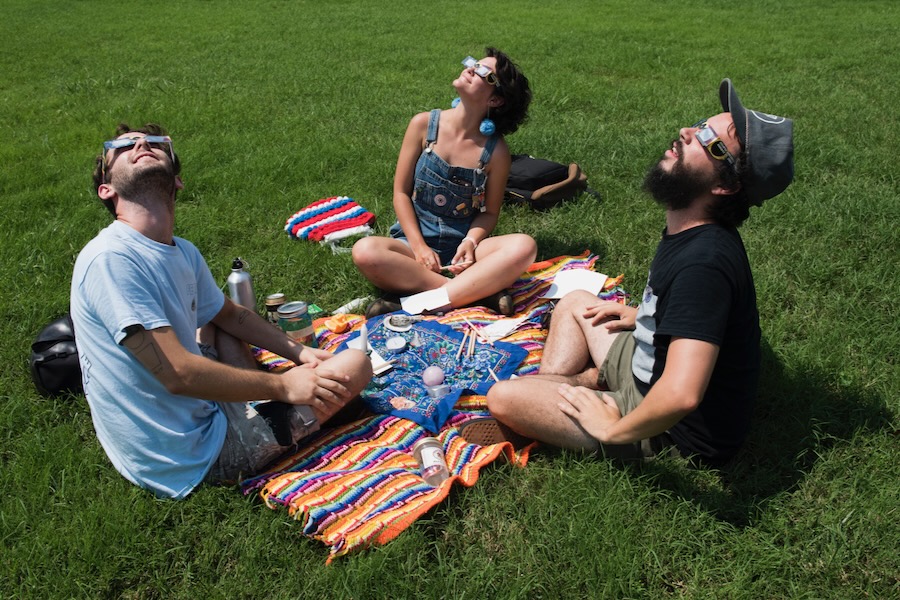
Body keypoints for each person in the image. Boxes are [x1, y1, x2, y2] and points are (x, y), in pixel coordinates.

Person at [481, 79, 794, 466]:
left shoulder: (704, 264)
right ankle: (572, 390)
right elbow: (695, 316)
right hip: (647, 364)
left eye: (709, 140)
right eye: (700, 124)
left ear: (726, 187)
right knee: (577, 302)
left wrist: (610, 428)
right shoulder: (691, 226)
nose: (687, 133)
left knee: (503, 397)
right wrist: (645, 317)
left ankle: (570, 409)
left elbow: (682, 395)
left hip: (667, 426)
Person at [71, 123, 373, 499]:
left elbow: (231, 316)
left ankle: (263, 403)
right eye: (123, 146)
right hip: (190, 454)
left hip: (193, 413)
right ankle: (274, 409)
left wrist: (300, 351)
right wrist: (284, 384)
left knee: (217, 319)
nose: (141, 144)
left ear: (177, 181)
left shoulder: (180, 250)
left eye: (155, 143)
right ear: (107, 189)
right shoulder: (111, 259)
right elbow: (178, 375)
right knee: (356, 364)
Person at [352, 48, 537, 318]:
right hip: (410, 244)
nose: (471, 69)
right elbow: (401, 193)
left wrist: (471, 242)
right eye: (473, 63)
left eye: (484, 73)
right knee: (365, 251)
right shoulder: (423, 125)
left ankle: (417, 302)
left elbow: (490, 213)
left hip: (463, 250)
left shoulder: (495, 152)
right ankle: (476, 295)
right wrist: (419, 248)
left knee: (524, 246)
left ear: (496, 100)